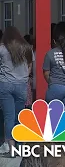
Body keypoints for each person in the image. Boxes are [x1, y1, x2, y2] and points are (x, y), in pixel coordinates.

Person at [0, 27, 33, 156]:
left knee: (8, 116)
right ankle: (20, 145)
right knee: (19, 116)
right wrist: (24, 76)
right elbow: (30, 65)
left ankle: (11, 147)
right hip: (21, 85)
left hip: (6, 84)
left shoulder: (2, 49)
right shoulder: (26, 48)